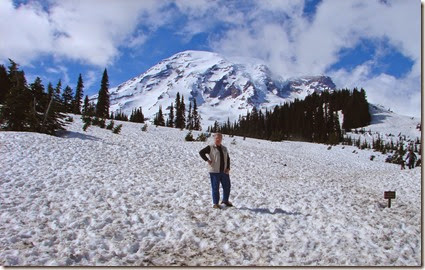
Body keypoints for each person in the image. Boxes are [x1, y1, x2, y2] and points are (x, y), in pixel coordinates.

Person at [199, 133, 233, 209]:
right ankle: (215, 204)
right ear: (214, 139)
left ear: (221, 139)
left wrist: (228, 168)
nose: (218, 140)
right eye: (216, 138)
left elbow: (228, 158)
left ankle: (225, 201)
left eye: (220, 138)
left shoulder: (224, 148)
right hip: (214, 171)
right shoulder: (210, 147)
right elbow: (201, 153)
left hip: (224, 171)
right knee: (215, 187)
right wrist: (207, 160)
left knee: (227, 186)